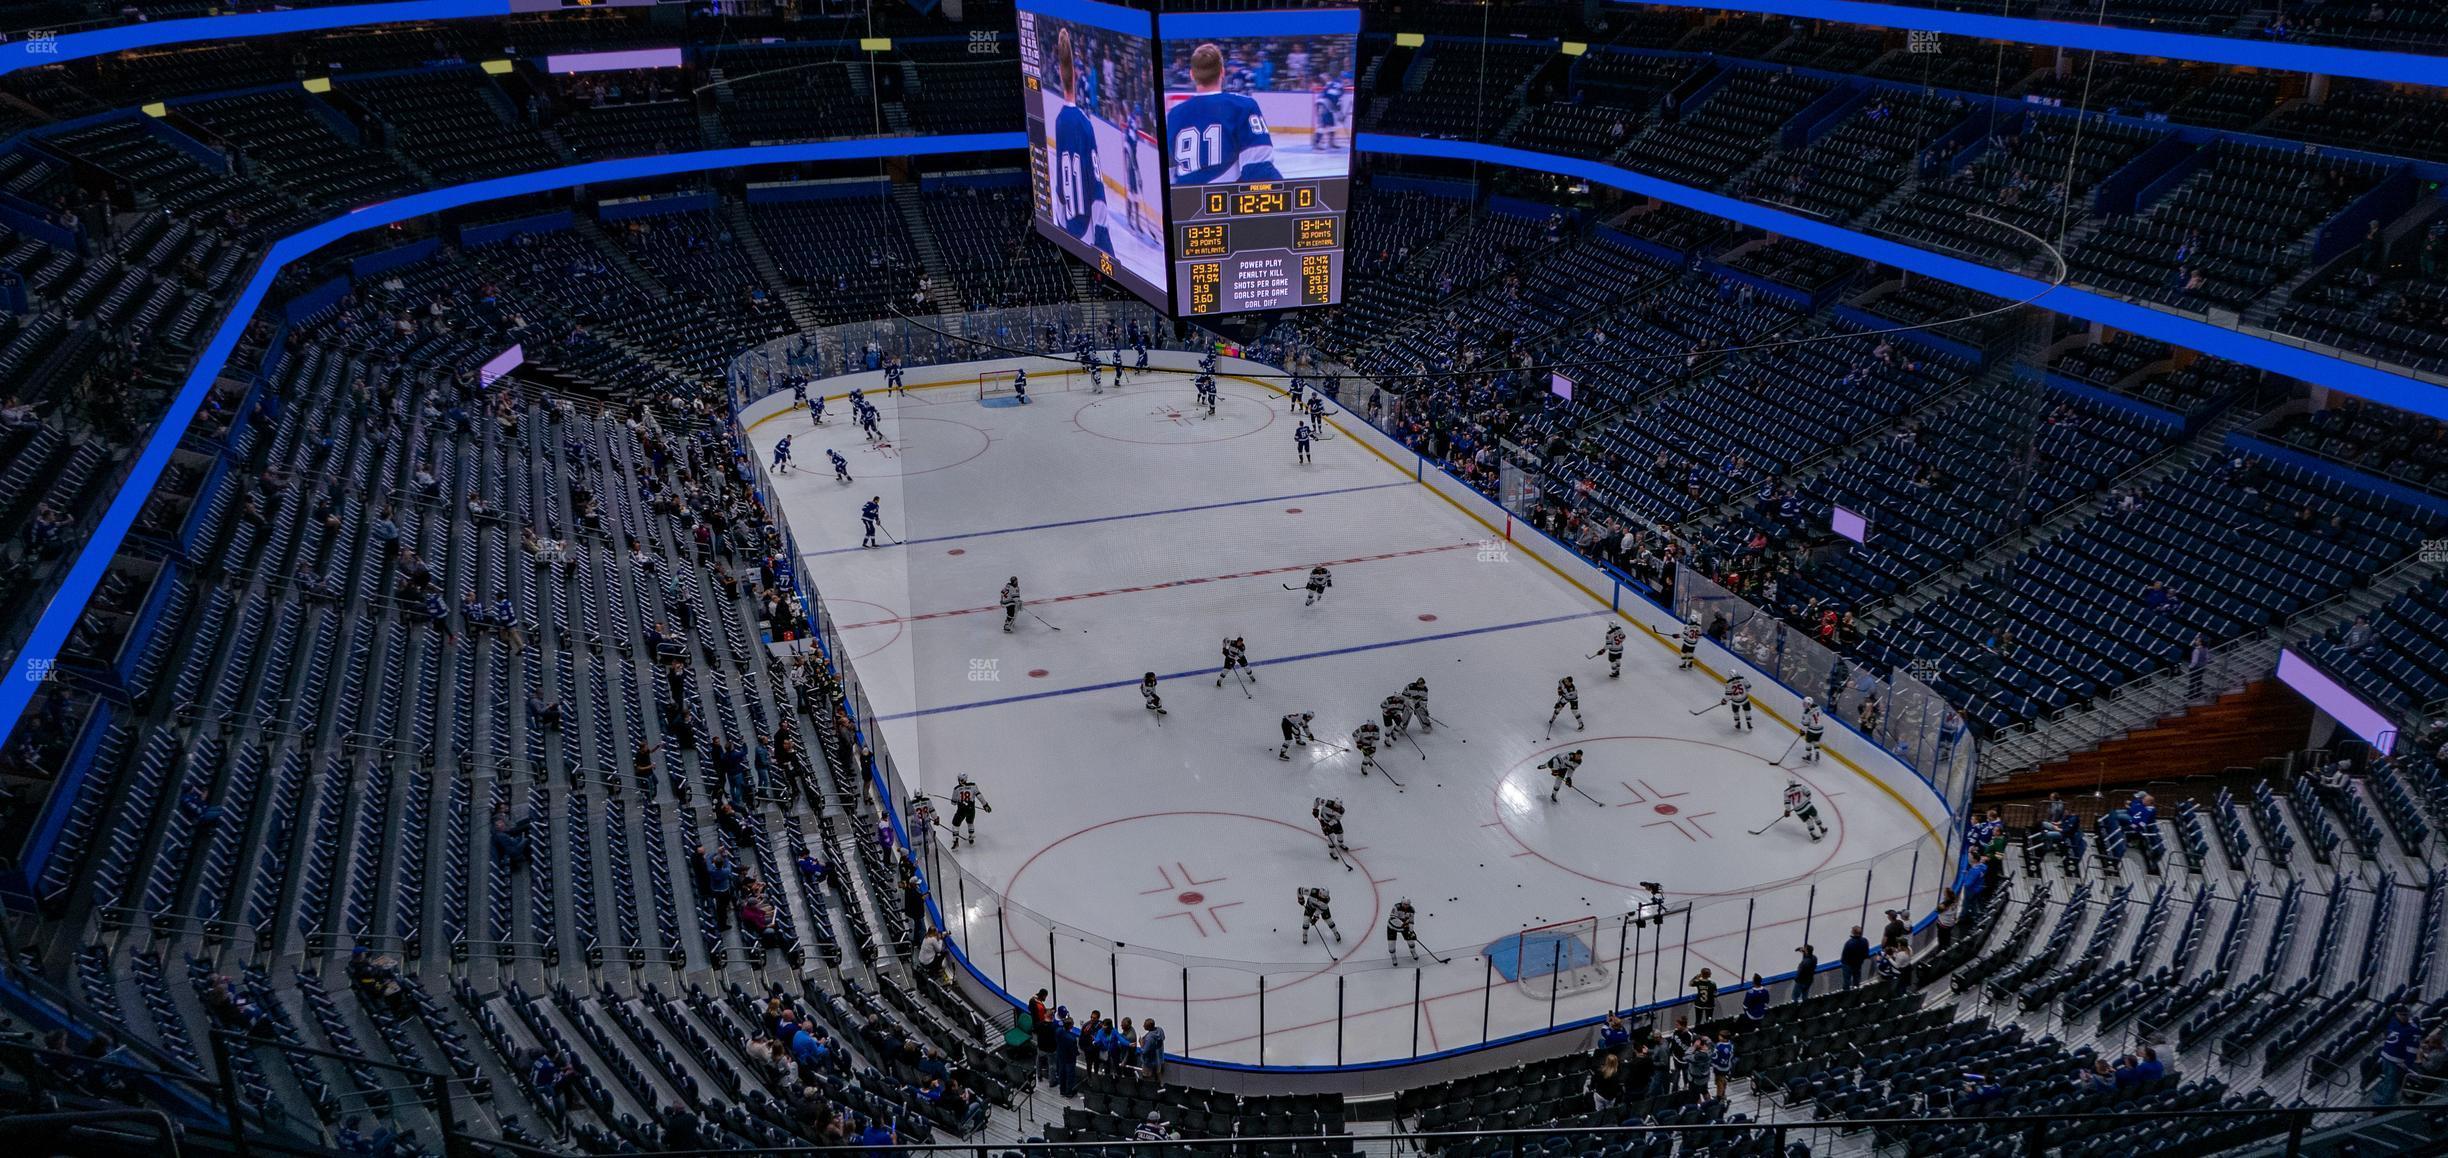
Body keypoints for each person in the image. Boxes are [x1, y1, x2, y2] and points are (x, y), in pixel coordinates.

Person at [1165, 43, 1283, 186]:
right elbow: (1258, 169)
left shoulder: (1173, 115)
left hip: (1186, 203)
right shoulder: (1243, 106)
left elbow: (1170, 174)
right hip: (1226, 203)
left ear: (1192, 74)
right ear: (1222, 72)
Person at [1048, 29, 1114, 253]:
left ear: (1059, 74)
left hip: (1068, 224)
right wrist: (1104, 243)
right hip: (1088, 231)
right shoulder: (1085, 125)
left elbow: (1059, 185)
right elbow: (1096, 186)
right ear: (1075, 76)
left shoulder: (1059, 121)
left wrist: (1061, 226)